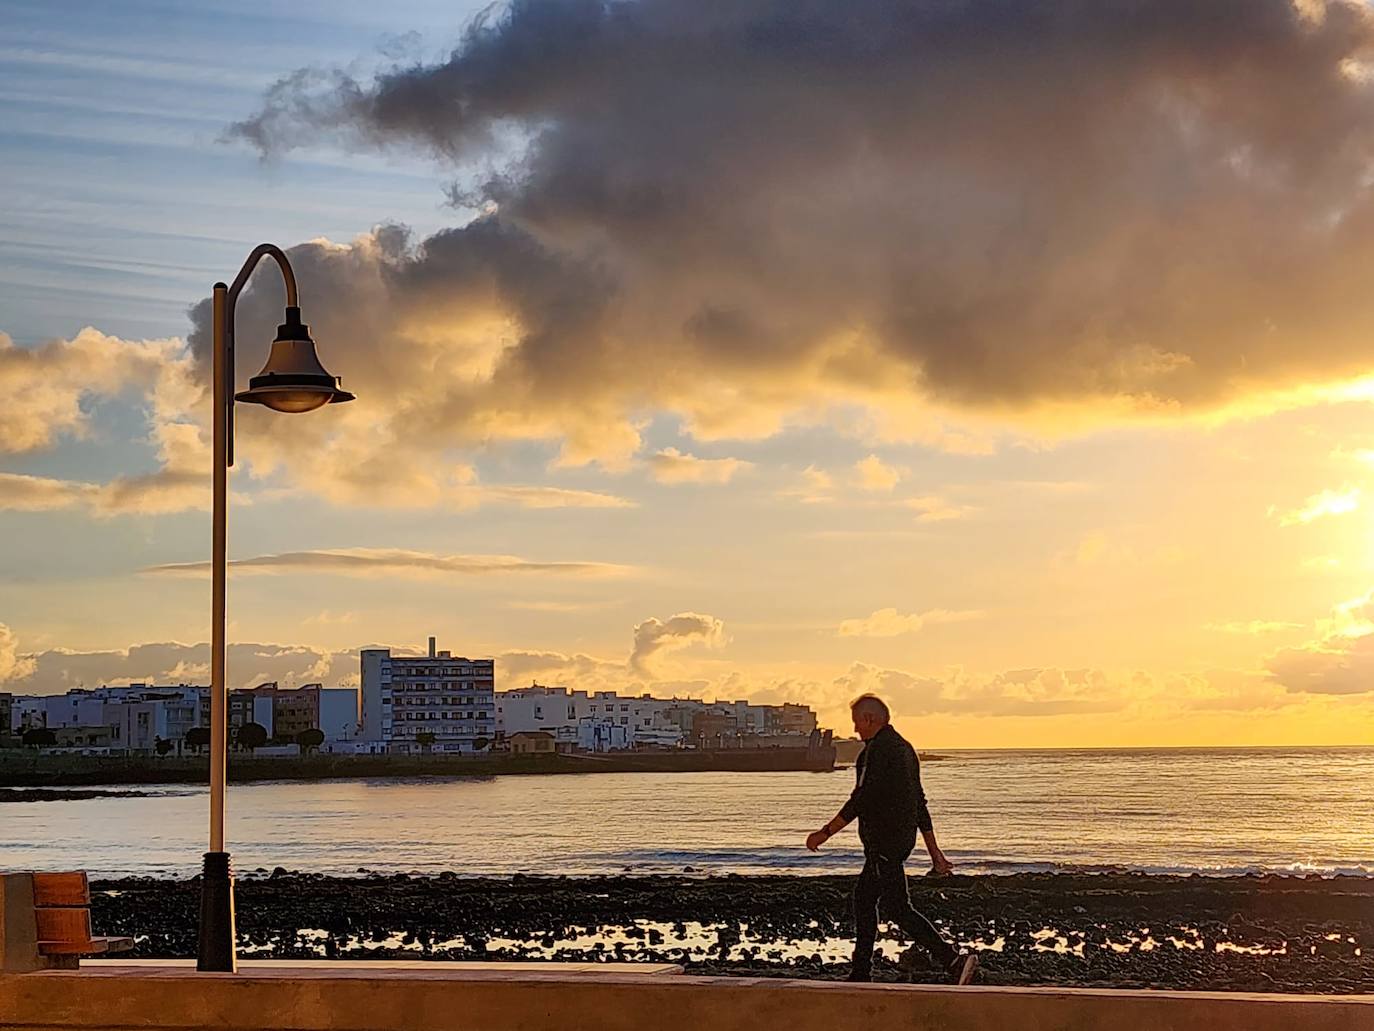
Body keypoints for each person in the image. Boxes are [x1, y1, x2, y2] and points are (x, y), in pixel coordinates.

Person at [806, 693, 977, 984]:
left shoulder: (877, 752)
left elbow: (861, 799)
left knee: (898, 908)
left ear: (870, 719)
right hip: (898, 842)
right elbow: (919, 803)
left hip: (884, 843)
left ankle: (952, 960)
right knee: (865, 900)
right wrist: (934, 852)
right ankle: (861, 971)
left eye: (858, 723)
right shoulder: (905, 749)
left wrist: (825, 832)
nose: (856, 731)